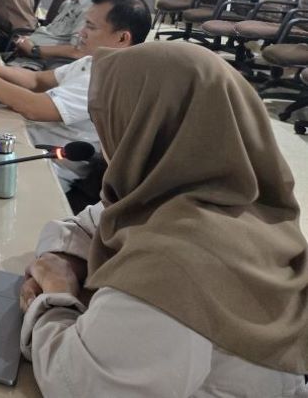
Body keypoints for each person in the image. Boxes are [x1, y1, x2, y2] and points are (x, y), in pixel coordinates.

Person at [19, 42, 308, 396]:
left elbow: (78, 384)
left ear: (146, 129)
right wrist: (63, 259)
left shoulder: (176, 261)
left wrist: (56, 295)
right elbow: (84, 226)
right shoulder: (237, 201)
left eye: (107, 121)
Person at [0, 0, 150, 197]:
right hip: (26, 141)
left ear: (122, 38)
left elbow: (33, 108)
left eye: (91, 27)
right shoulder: (94, 61)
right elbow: (37, 80)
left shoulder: (110, 78)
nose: (81, 33)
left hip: (46, 164)